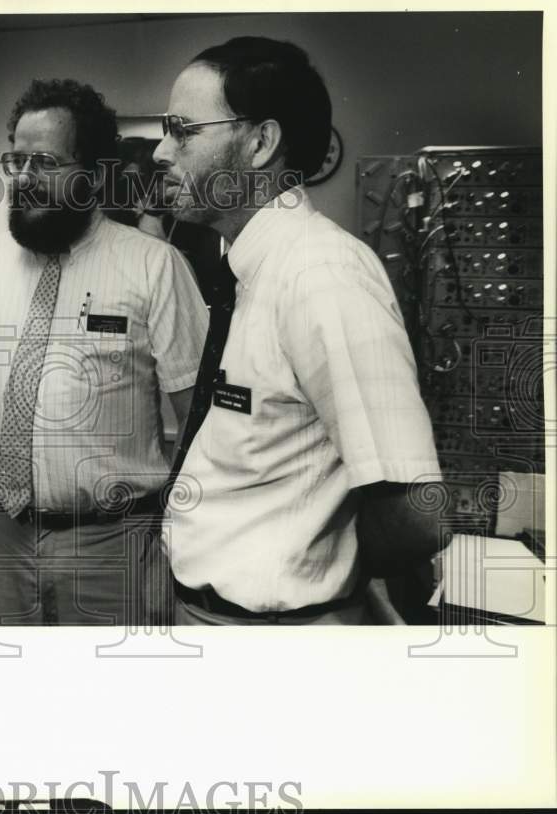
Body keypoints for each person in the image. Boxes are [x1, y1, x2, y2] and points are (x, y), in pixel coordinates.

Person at [154, 37, 442, 625]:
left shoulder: (321, 276)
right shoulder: (253, 268)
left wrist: (330, 590)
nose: (162, 151)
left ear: (260, 143)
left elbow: (417, 513)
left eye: (183, 131)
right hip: (224, 619)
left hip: (275, 640)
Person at [0, 78, 209, 626]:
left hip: (112, 544)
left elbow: (197, 414)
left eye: (45, 162)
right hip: (0, 536)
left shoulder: (155, 268)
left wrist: (186, 533)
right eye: (16, 161)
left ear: (94, 175)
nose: (23, 179)